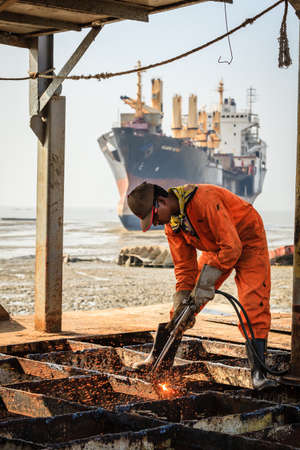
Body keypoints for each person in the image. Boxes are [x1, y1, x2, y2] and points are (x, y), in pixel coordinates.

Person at [127, 181, 277, 390]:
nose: (156, 223)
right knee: (185, 306)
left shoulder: (204, 200)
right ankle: (159, 358)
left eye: (154, 218)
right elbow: (184, 269)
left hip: (247, 240)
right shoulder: (173, 225)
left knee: (254, 302)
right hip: (218, 247)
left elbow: (232, 248)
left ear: (161, 201)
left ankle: (259, 375)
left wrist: (205, 284)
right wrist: (183, 298)